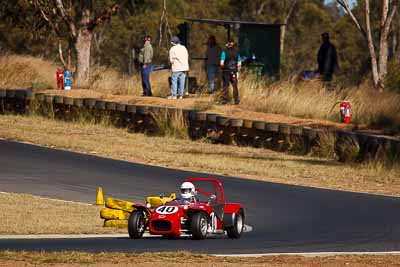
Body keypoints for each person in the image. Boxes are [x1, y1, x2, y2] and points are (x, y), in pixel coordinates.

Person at [220, 40, 241, 105]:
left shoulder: (224, 52)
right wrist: (237, 70)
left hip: (226, 71)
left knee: (226, 86)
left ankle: (225, 100)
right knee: (235, 86)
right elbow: (239, 63)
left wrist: (222, 68)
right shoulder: (237, 53)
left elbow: (221, 63)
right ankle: (236, 100)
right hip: (234, 71)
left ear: (227, 45)